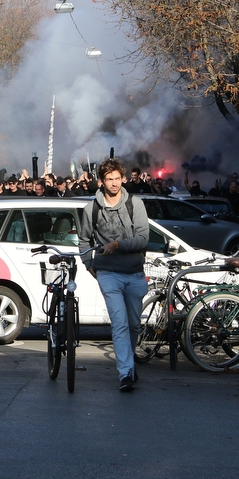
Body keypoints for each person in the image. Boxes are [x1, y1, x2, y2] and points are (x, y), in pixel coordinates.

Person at [79, 158, 149, 393]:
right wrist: (90, 264)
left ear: (123, 179)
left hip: (134, 272)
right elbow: (83, 239)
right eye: (109, 179)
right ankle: (125, 374)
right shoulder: (92, 208)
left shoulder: (135, 204)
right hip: (108, 273)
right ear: (102, 181)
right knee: (119, 323)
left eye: (117, 178)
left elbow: (142, 238)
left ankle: (129, 365)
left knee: (133, 324)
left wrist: (118, 244)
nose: (114, 183)